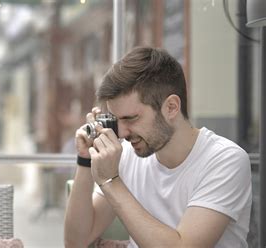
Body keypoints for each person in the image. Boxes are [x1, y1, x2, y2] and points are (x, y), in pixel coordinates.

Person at [64, 47, 252, 247]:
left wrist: (111, 181)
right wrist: (86, 159)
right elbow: (76, 242)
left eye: (131, 118)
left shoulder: (226, 160)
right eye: (116, 120)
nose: (122, 133)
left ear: (171, 107)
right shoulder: (127, 156)